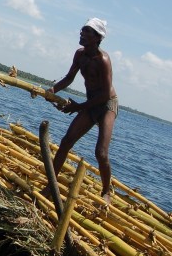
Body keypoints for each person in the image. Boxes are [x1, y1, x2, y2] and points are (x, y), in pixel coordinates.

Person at [45, 18, 118, 204]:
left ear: (97, 37)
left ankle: (106, 191)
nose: (82, 33)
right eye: (82, 30)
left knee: (101, 153)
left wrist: (78, 107)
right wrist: (53, 90)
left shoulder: (103, 60)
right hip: (91, 103)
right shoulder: (80, 55)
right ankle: (50, 184)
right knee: (66, 141)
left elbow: (104, 95)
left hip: (107, 104)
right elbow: (69, 78)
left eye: (87, 31)